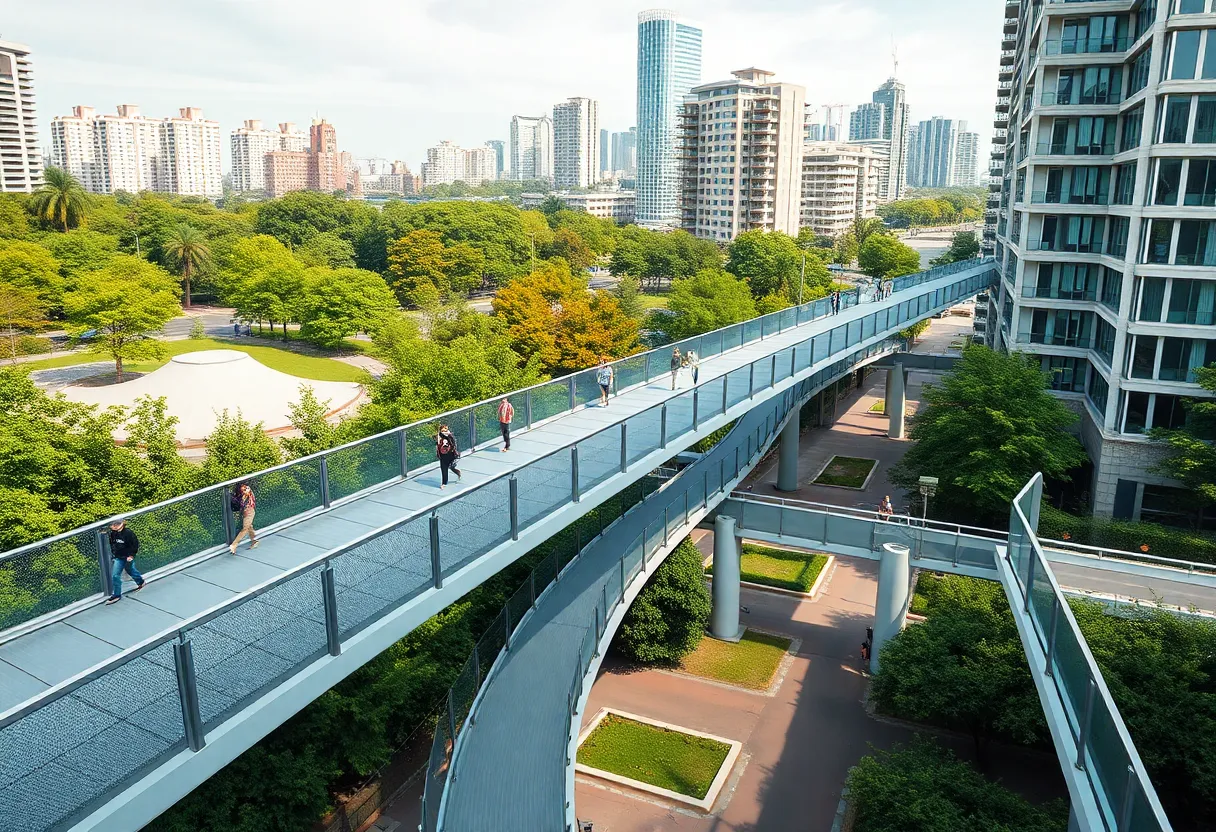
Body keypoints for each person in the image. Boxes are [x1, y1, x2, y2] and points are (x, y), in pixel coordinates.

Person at [105, 517, 145, 604]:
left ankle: (140, 582)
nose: (114, 526)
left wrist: (131, 555)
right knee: (115, 575)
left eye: (116, 524)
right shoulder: (113, 534)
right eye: (113, 525)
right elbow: (113, 544)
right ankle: (117, 594)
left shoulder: (128, 533)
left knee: (130, 570)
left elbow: (135, 544)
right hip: (119, 558)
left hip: (127, 557)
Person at [229, 482, 259, 553]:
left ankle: (234, 545)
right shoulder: (239, 495)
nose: (245, 488)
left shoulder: (247, 493)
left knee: (245, 529)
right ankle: (254, 540)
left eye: (246, 487)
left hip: (250, 512)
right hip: (245, 513)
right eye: (243, 487)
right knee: (249, 526)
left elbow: (247, 495)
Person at [436, 424, 462, 489]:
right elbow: (438, 445)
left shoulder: (450, 436)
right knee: (443, 469)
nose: (444, 432)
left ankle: (458, 472)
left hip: (451, 454)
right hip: (443, 455)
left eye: (446, 430)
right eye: (442, 430)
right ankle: (444, 483)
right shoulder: (439, 436)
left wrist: (448, 436)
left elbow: (454, 445)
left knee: (452, 467)